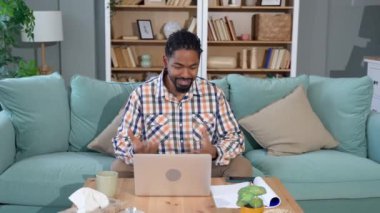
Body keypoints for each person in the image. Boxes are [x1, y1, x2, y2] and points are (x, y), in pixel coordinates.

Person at [112, 29, 252, 178]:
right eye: (178, 67)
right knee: (118, 167)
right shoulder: (141, 95)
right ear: (166, 62)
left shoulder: (214, 94)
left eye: (193, 67)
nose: (186, 75)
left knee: (241, 166)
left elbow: (235, 138)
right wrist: (136, 151)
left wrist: (214, 152)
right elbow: (122, 141)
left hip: (202, 167)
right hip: (156, 167)